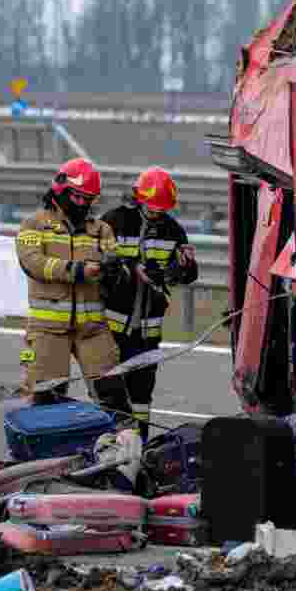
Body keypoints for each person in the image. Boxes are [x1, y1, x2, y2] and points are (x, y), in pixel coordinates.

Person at [15, 157, 131, 419]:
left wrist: (114, 273)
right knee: (46, 400)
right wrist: (77, 270)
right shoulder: (33, 225)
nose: (82, 203)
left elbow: (117, 267)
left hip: (93, 327)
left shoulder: (101, 230)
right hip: (47, 330)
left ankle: (126, 449)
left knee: (113, 396)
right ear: (60, 190)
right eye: (77, 196)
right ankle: (48, 456)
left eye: (88, 198)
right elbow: (32, 263)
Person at [100, 166, 198, 442]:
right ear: (139, 198)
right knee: (111, 392)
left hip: (147, 331)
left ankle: (140, 450)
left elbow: (184, 276)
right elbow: (101, 262)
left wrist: (181, 269)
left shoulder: (172, 230)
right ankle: (108, 446)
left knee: (141, 396)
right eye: (152, 207)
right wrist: (132, 270)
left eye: (161, 208)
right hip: (111, 327)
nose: (156, 212)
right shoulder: (114, 221)